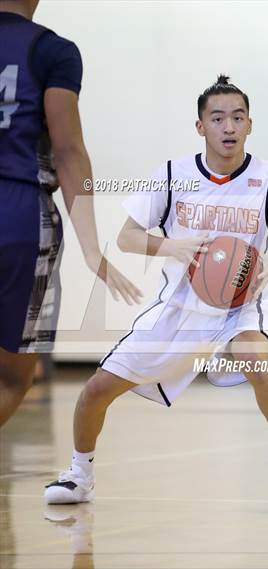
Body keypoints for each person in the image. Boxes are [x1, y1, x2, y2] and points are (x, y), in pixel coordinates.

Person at [44, 75, 268, 505]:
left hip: (242, 305)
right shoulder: (173, 174)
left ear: (250, 124)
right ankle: (79, 474)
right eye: (217, 118)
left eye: (237, 118)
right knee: (96, 389)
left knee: (254, 357)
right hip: (180, 306)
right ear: (200, 127)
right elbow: (128, 237)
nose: (228, 127)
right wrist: (171, 245)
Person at [0, 0, 142, 428]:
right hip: (18, 213)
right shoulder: (50, 49)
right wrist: (91, 247)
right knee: (10, 378)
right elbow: (68, 150)